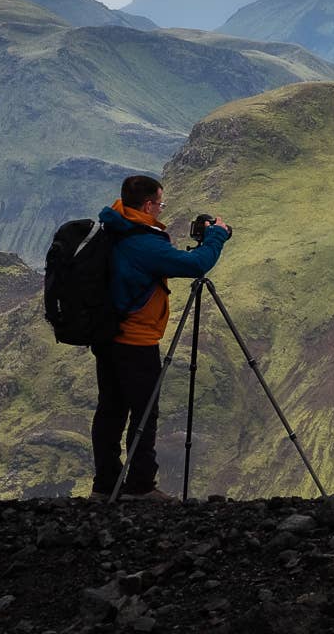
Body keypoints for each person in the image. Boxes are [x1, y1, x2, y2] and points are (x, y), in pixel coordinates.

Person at [89, 174, 230, 501]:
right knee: (144, 411)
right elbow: (196, 263)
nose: (161, 209)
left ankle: (105, 485)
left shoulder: (114, 227)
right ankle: (139, 487)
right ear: (149, 204)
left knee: (110, 409)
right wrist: (217, 236)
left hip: (107, 336)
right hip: (136, 341)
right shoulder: (143, 243)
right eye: (160, 203)